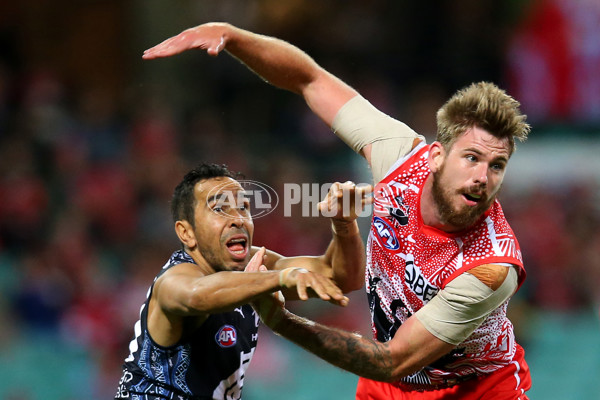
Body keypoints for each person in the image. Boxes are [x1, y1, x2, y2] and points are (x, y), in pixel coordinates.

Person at [143, 22, 533, 400]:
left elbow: (392, 360)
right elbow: (309, 80)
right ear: (435, 156)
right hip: (391, 387)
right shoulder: (398, 155)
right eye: (471, 158)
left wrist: (280, 320)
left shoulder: (491, 267)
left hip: (474, 389)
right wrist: (233, 36)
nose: (483, 176)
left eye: (496, 166)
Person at [115, 162, 370, 399]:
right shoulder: (174, 280)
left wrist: (344, 224)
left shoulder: (254, 263)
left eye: (243, 207)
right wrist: (279, 278)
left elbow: (342, 278)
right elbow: (196, 294)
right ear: (187, 232)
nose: (237, 219)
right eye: (219, 209)